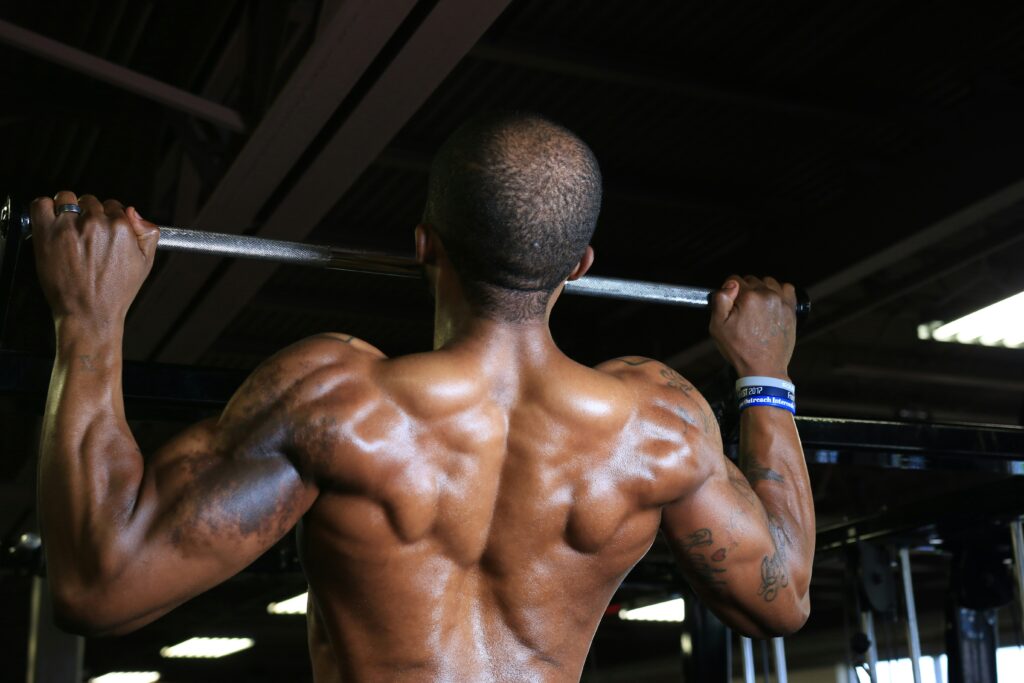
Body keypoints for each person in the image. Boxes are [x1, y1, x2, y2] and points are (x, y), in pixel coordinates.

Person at [31, 112, 814, 682]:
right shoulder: (659, 425)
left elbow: (97, 584)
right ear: (580, 263)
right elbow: (783, 598)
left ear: (424, 244)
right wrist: (765, 376)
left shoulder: (337, 403)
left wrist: (89, 318)